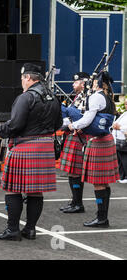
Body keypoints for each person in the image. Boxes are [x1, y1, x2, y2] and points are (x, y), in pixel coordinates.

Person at [0, 63, 62, 241]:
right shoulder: (53, 96)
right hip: (45, 147)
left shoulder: (26, 97)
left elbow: (15, 125)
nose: (21, 81)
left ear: (28, 77)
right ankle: (30, 229)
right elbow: (58, 124)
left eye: (22, 78)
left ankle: (13, 230)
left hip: (25, 146)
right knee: (36, 191)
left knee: (12, 189)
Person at [67, 71, 119, 228]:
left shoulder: (96, 97)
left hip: (99, 142)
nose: (91, 83)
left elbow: (87, 119)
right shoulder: (107, 97)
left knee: (98, 183)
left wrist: (73, 125)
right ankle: (102, 216)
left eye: (93, 81)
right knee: (103, 183)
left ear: (97, 83)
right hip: (106, 139)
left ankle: (102, 218)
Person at [59, 72, 90, 214]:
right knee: (72, 172)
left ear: (83, 83)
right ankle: (75, 201)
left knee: (75, 172)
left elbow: (83, 116)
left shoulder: (88, 97)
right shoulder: (78, 96)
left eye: (76, 82)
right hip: (72, 134)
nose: (73, 84)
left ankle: (78, 204)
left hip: (79, 136)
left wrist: (69, 114)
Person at [112, 98, 127, 183]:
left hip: (124, 139)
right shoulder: (124, 113)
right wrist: (115, 126)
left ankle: (125, 177)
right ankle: (121, 176)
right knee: (119, 159)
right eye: (125, 104)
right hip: (118, 139)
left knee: (125, 159)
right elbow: (115, 123)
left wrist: (119, 127)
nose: (126, 105)